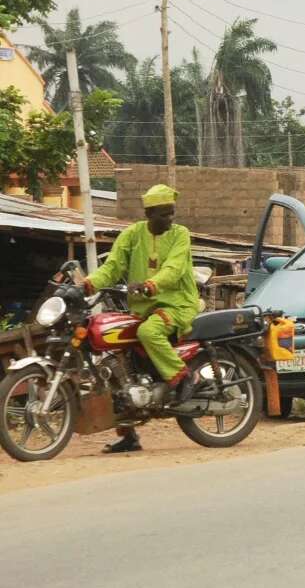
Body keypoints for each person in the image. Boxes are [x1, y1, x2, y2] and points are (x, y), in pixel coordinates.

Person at [83, 183, 204, 453]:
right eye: (164, 214)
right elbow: (113, 266)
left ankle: (183, 378)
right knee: (117, 365)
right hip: (142, 309)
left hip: (176, 304)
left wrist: (151, 285)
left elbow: (173, 268)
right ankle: (128, 435)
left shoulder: (180, 235)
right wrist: (90, 283)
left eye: (171, 213)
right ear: (149, 214)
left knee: (149, 332)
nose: (170, 219)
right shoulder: (132, 235)